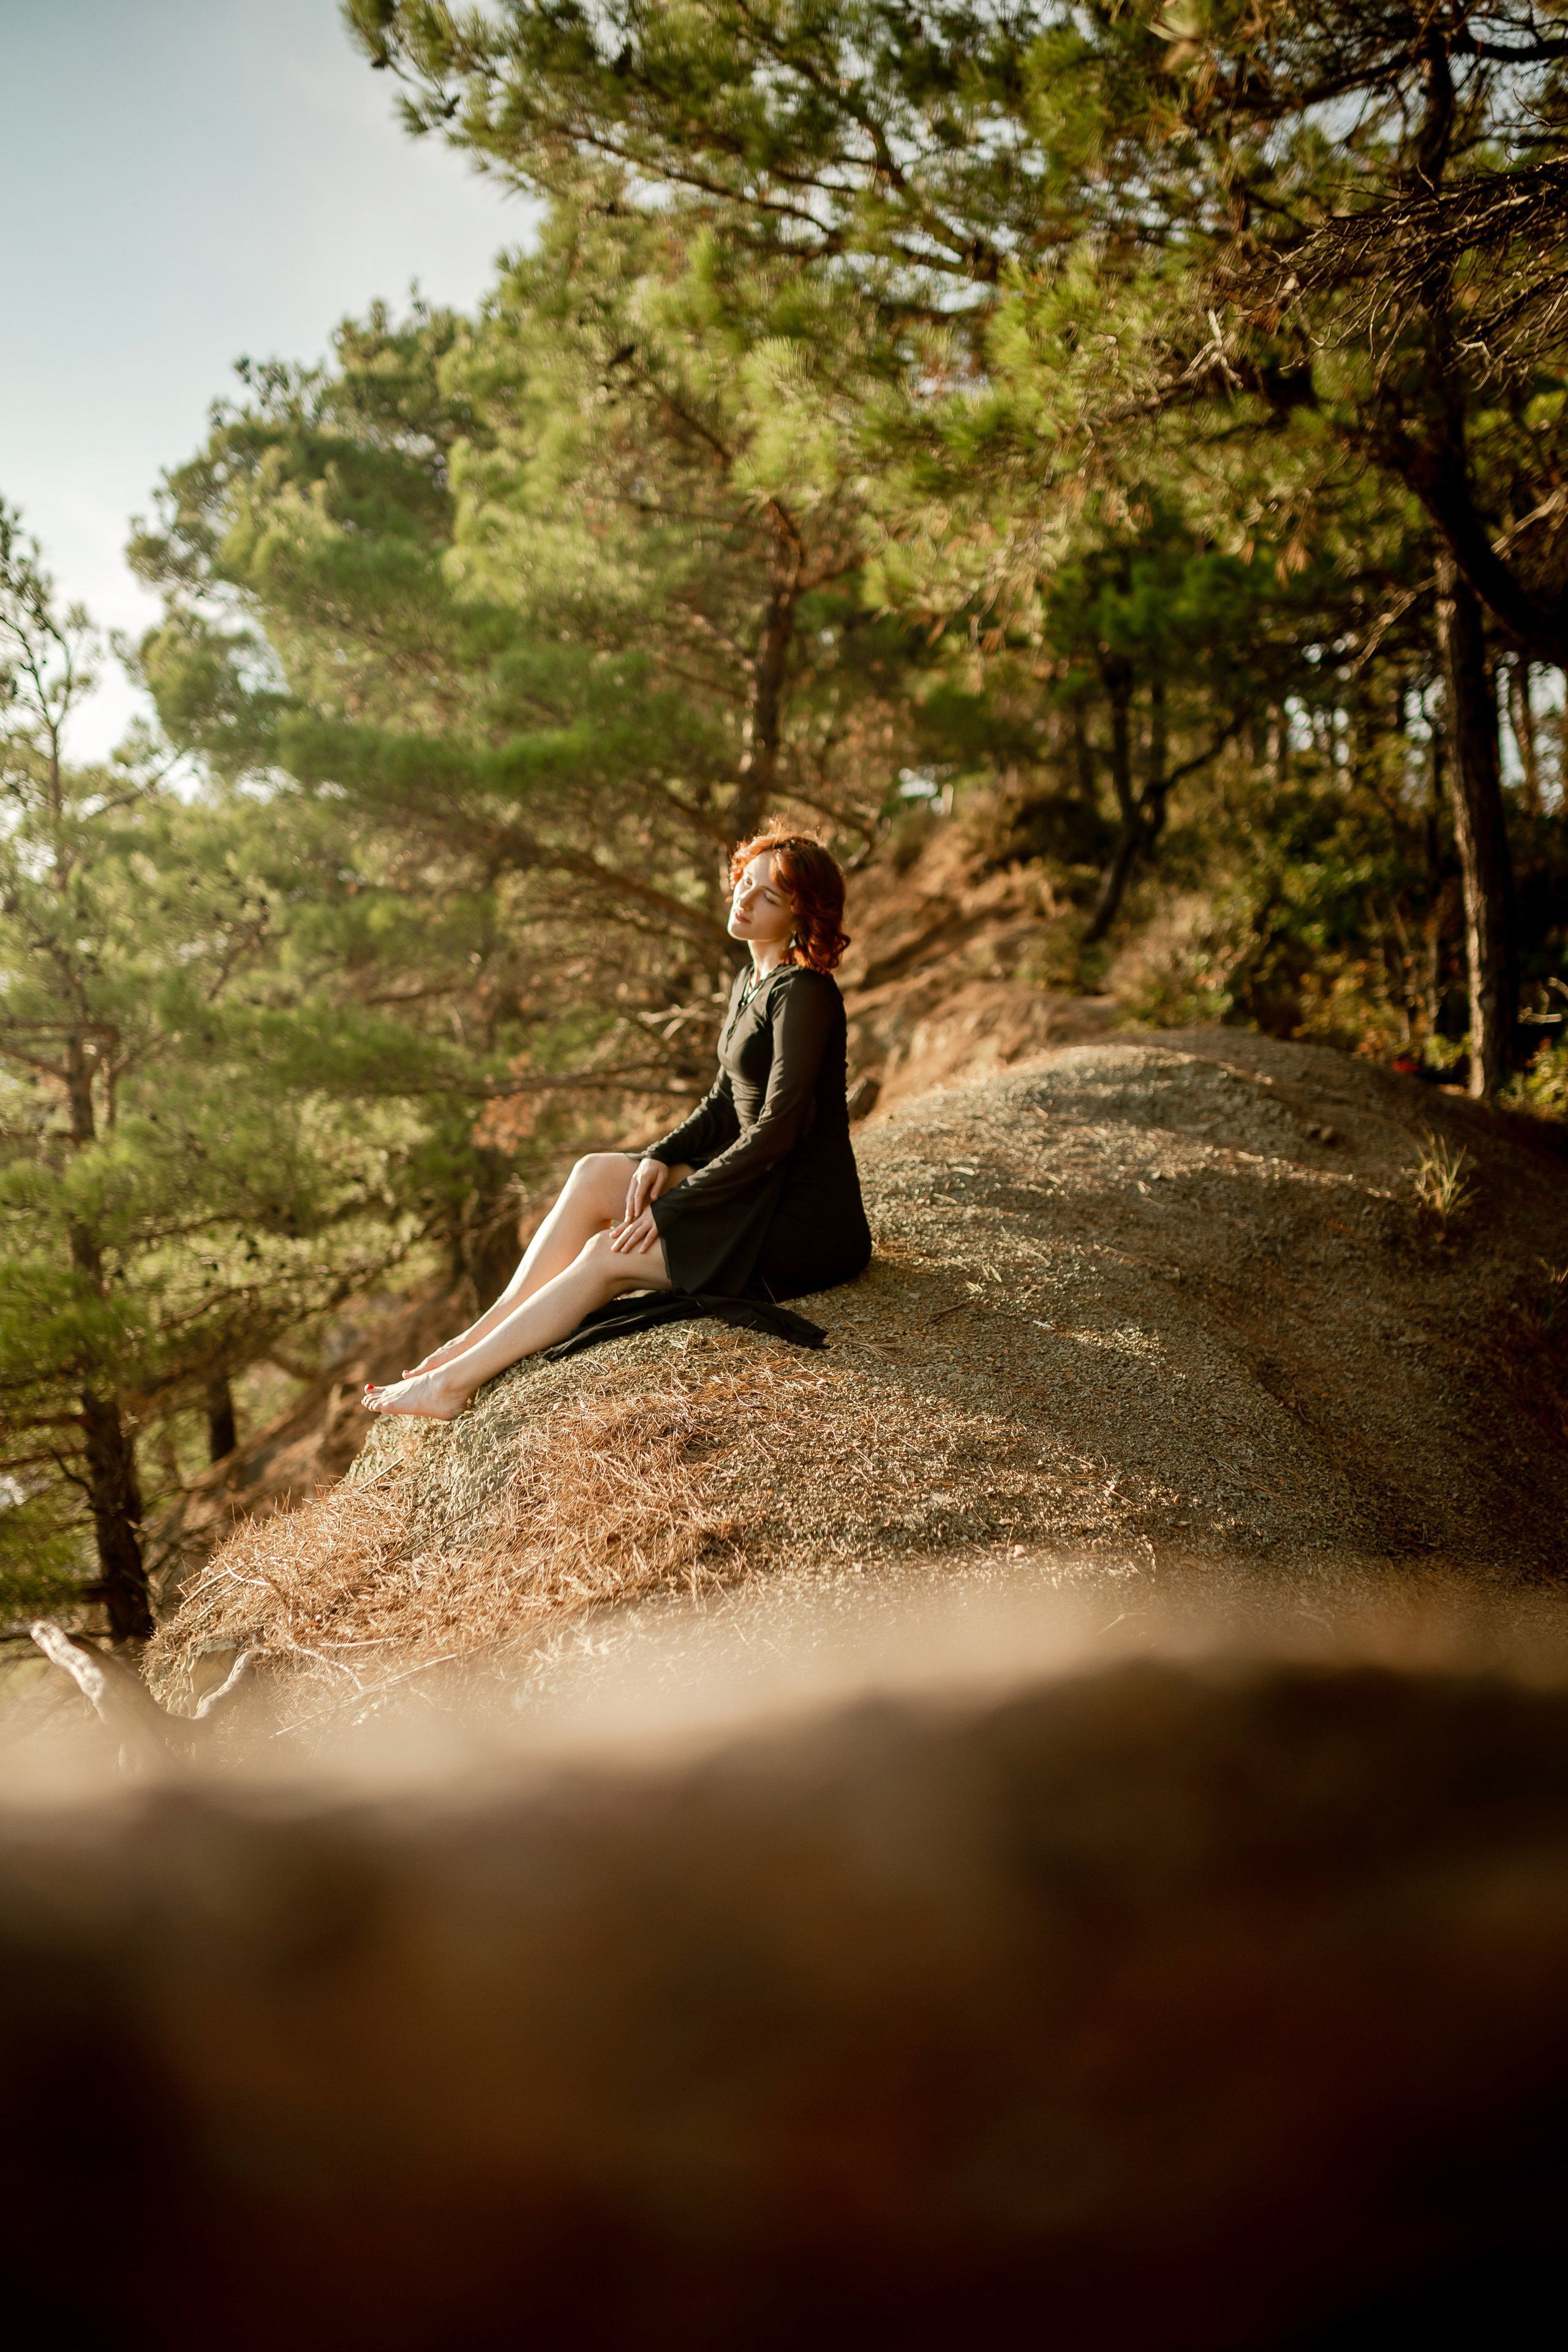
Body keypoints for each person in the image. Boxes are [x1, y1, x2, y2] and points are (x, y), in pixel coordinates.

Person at [363, 830, 873, 1420]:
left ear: (800, 915)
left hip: (803, 1225)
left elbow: (776, 1131)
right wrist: (659, 1155)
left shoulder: (804, 992)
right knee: (596, 1172)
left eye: (767, 897)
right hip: (762, 1187)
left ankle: (450, 1387)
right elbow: (724, 1103)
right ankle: (477, 1337)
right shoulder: (750, 981)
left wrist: (671, 1211)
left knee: (606, 1254)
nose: (744, 898)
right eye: (745, 881)